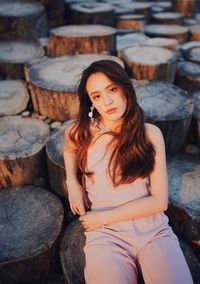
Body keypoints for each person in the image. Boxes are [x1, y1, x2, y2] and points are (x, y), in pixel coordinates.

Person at [63, 60, 193, 284]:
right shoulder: (82, 132)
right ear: (91, 102)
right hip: (106, 236)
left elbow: (159, 202)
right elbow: (68, 150)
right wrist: (72, 182)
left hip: (153, 231)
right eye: (97, 96)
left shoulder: (150, 133)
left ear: (125, 88)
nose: (107, 101)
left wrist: (102, 216)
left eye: (112, 89)